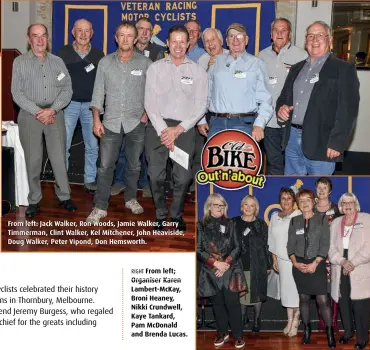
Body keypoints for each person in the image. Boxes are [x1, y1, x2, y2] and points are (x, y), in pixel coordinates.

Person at [86, 21, 151, 223]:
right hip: (111, 122)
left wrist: (146, 114)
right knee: (105, 166)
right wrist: (97, 119)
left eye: (129, 35)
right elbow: (97, 94)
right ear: (116, 38)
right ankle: (100, 206)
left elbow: (152, 92)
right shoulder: (105, 63)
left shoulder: (145, 64)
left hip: (136, 123)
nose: (125, 39)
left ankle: (131, 198)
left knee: (134, 166)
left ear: (136, 38)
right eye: (121, 35)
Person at [144, 24, 208, 232]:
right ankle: (161, 214)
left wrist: (178, 129)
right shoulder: (155, 68)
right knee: (156, 176)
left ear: (188, 44)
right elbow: (149, 104)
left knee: (183, 177)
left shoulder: (198, 71)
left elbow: (201, 105)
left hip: (184, 130)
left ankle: (176, 215)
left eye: (183, 41)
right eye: (174, 42)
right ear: (168, 43)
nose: (178, 46)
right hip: (157, 128)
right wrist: (165, 131)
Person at [277, 21, 360, 175]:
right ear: (305, 41)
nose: (315, 39)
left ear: (329, 40)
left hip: (322, 142)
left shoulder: (344, 69)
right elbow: (283, 98)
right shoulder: (296, 68)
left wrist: (338, 143)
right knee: (293, 190)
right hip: (292, 139)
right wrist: (281, 108)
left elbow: (348, 111)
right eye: (310, 35)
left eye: (320, 35)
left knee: (318, 191)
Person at [11, 24, 76, 217]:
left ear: (48, 39)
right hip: (30, 115)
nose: (40, 40)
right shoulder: (20, 62)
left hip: (55, 114)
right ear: (28, 39)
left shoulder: (58, 62)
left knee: (58, 158)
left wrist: (52, 109)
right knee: (33, 159)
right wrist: (39, 111)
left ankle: (64, 196)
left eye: (43, 36)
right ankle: (34, 200)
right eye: (35, 36)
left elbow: (67, 90)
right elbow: (17, 93)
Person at [111, 17, 165, 198]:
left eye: (147, 30)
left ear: (152, 33)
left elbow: (158, 86)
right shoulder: (123, 52)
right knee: (122, 149)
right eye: (140, 29)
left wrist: (148, 112)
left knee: (146, 151)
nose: (143, 32)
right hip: (126, 111)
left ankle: (146, 184)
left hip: (149, 112)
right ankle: (119, 182)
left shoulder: (159, 52)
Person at [198, 23, 272, 141]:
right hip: (216, 125)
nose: (235, 40)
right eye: (232, 36)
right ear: (227, 41)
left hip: (244, 125)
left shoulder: (256, 64)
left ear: (246, 40)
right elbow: (205, 94)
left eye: (240, 36)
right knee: (214, 160)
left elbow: (265, 99)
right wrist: (201, 120)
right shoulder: (215, 62)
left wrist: (259, 124)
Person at [57, 19, 104, 194]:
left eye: (87, 31)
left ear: (92, 33)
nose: (83, 34)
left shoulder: (99, 56)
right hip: (68, 105)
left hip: (91, 108)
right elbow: (57, 79)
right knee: (64, 146)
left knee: (92, 146)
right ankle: (63, 182)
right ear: (73, 33)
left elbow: (102, 84)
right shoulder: (62, 53)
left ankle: (90, 180)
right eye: (80, 31)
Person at [197, 193, 247, 349]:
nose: (219, 208)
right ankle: (222, 333)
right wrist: (215, 263)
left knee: (233, 304)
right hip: (211, 272)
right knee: (217, 305)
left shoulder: (231, 224)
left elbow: (238, 247)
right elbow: (198, 250)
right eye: (216, 205)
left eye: (222, 205)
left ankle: (238, 335)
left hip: (230, 269)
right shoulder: (201, 225)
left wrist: (224, 264)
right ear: (209, 206)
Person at [258, 18, 308, 175]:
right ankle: (276, 196)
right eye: (276, 30)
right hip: (269, 122)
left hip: (292, 123)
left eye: (283, 30)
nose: (279, 34)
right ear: (271, 34)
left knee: (294, 164)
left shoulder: (302, 55)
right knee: (274, 163)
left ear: (290, 34)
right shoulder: (261, 56)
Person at [287, 189, 335, 348]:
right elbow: (290, 245)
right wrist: (295, 262)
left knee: (323, 300)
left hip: (317, 264)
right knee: (304, 299)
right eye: (301, 201)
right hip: (298, 265)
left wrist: (315, 263)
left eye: (308, 200)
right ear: (298, 204)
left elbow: (325, 244)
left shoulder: (322, 219)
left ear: (313, 201)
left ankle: (330, 332)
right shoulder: (294, 221)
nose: (305, 203)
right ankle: (306, 330)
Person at [329, 193, 370, 350]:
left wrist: (352, 262)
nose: (347, 205)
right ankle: (348, 332)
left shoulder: (366, 219)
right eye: (344, 202)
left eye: (350, 202)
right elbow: (330, 247)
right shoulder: (336, 222)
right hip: (340, 266)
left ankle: (362, 337)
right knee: (343, 302)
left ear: (356, 204)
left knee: (360, 305)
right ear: (340, 206)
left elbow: (368, 246)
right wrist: (342, 261)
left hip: (359, 266)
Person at [233, 195, 271, 333]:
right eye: (246, 205)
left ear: (256, 208)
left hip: (258, 264)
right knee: (241, 294)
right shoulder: (234, 222)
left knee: (256, 294)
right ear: (242, 207)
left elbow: (268, 245)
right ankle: (242, 318)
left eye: (252, 205)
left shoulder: (261, 225)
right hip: (239, 265)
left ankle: (257, 319)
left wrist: (268, 264)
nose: (248, 208)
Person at [268, 188, 301, 336]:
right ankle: (289, 320)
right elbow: (271, 240)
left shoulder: (299, 214)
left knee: (297, 291)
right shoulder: (275, 216)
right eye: (283, 198)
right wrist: (274, 258)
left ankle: (296, 320)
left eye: (289, 198)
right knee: (287, 292)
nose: (286, 201)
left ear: (294, 200)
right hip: (280, 260)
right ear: (279, 200)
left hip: (296, 261)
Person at [314, 177, 341, 332]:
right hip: (316, 257)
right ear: (316, 189)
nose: (322, 190)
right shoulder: (311, 208)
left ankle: (333, 322)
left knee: (333, 289)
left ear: (330, 191)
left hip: (333, 256)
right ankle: (323, 322)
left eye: (325, 187)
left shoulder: (337, 209)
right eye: (319, 187)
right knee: (319, 289)